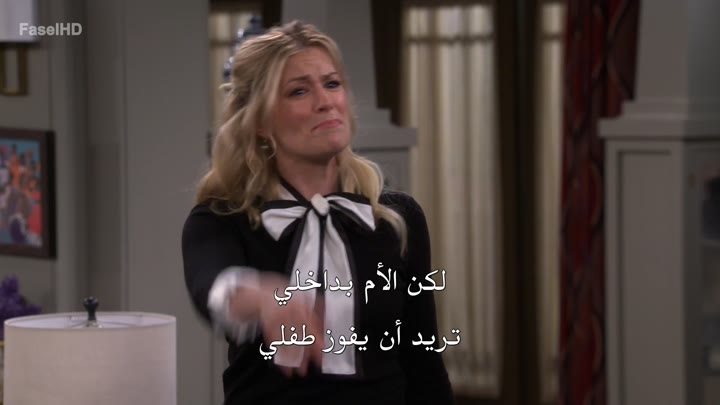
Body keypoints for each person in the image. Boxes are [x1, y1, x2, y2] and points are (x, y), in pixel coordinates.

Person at [182, 20, 453, 404]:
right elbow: (213, 287)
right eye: (299, 91)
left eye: (332, 84)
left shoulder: (398, 219)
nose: (325, 101)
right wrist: (261, 296)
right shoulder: (221, 219)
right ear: (260, 121)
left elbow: (423, 362)